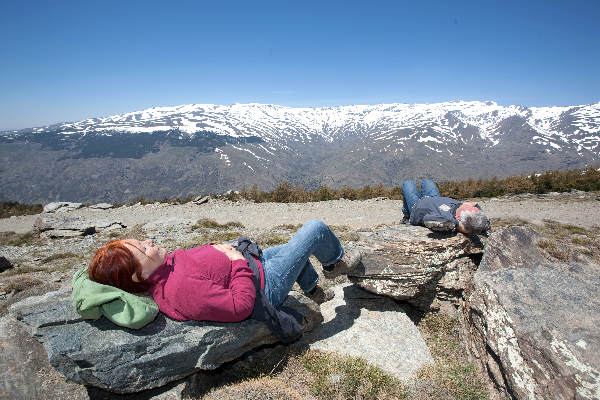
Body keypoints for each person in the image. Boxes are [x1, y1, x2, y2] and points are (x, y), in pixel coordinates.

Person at [88, 219, 361, 324]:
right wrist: (235, 261)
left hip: (255, 267)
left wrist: (217, 249)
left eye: (142, 241)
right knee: (313, 230)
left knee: (293, 249)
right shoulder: (179, 289)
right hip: (263, 287)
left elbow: (198, 265)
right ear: (138, 276)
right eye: (142, 249)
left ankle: (313, 289)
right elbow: (241, 306)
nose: (148, 242)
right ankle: (336, 263)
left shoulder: (163, 270)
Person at [401, 179, 490, 234]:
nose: (472, 204)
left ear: (458, 217)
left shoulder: (446, 219)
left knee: (408, 184)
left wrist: (459, 226)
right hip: (434, 198)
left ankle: (407, 216)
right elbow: (485, 223)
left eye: (470, 208)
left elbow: (429, 220)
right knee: (427, 182)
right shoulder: (466, 214)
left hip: (417, 206)